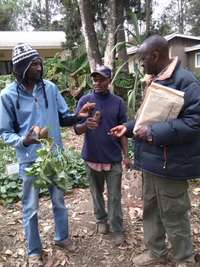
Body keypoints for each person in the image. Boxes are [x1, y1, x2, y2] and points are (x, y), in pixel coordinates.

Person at [0, 43, 95, 266]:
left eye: (39, 62)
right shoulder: (8, 96)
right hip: (29, 160)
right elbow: (4, 132)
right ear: (21, 67)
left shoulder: (50, 88)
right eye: (33, 64)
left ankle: (62, 238)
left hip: (53, 156)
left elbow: (63, 117)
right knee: (31, 207)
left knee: (59, 201)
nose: (39, 67)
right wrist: (24, 140)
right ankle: (34, 250)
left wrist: (78, 116)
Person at [109, 35, 200, 267]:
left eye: (142, 59)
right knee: (150, 209)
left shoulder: (185, 81)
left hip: (171, 164)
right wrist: (128, 128)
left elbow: (195, 122)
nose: (141, 64)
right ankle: (156, 252)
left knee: (174, 213)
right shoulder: (156, 79)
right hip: (151, 161)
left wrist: (153, 133)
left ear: (155, 56)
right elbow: (147, 118)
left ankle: (184, 259)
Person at [74, 65, 130, 246]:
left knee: (114, 196)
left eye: (102, 79)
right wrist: (86, 125)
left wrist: (126, 155)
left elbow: (124, 132)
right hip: (92, 155)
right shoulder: (85, 100)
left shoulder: (118, 103)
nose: (97, 82)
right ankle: (101, 220)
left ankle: (117, 228)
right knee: (96, 193)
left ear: (109, 80)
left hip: (113, 157)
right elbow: (76, 128)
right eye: (95, 79)